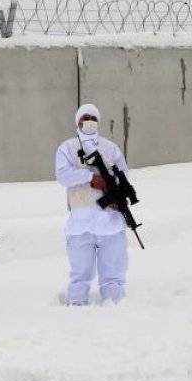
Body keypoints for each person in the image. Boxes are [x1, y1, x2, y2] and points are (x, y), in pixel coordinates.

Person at [54, 103, 130, 305]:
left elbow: (124, 175)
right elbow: (63, 175)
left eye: (93, 118)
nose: (89, 121)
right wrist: (90, 178)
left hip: (110, 222)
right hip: (80, 223)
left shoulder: (110, 148)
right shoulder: (67, 147)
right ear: (77, 122)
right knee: (80, 276)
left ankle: (115, 308)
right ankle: (77, 310)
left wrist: (117, 194)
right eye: (85, 117)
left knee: (113, 276)